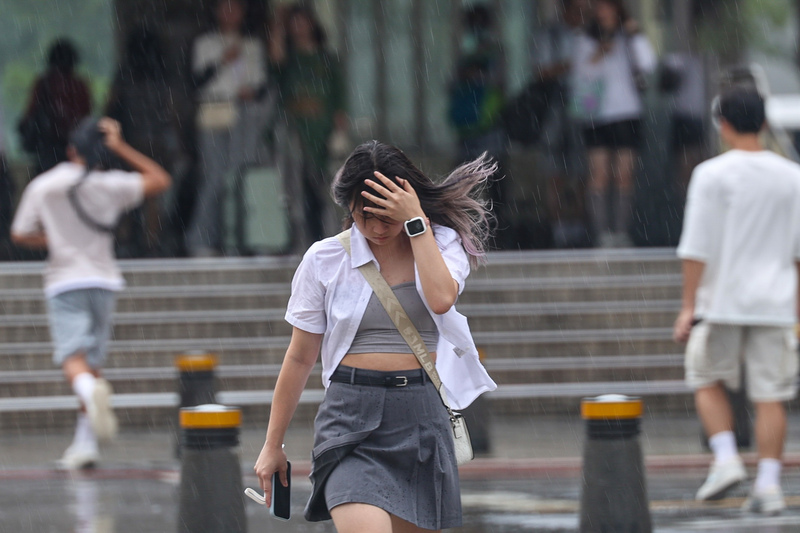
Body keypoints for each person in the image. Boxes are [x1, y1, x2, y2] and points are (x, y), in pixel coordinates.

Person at [254, 141, 497, 532]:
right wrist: (273, 444)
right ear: (348, 207)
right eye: (365, 217)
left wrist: (416, 222)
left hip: (419, 416)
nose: (377, 229)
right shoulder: (325, 259)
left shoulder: (441, 243)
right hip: (350, 417)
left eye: (388, 217)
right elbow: (300, 357)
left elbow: (440, 299)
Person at [10, 117, 171, 469]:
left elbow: (20, 232)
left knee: (72, 358)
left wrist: (52, 238)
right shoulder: (112, 185)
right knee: (91, 363)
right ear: (100, 151)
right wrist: (120, 146)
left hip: (64, 279)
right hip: (104, 280)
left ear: (70, 149)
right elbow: (160, 180)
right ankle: (85, 446)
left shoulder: (46, 185)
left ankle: (87, 395)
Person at [673, 88, 800, 514]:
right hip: (775, 302)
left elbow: (696, 248)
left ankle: (726, 457)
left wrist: (689, 305)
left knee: (704, 376)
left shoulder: (711, 174)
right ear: (764, 123)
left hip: (721, 298)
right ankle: (769, 485)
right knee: (771, 396)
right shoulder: (792, 175)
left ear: (722, 124)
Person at [570, 0, 655, 247]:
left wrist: (634, 35)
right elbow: (580, 75)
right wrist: (600, 52)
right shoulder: (585, 39)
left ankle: (620, 232)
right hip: (596, 114)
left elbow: (648, 64)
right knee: (598, 174)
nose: (604, 13)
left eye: (608, 7)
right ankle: (602, 233)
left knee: (624, 175)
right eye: (600, 8)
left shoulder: (628, 37)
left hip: (627, 112)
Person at [186, 0, 267, 257]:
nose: (230, 13)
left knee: (238, 177)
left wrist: (251, 92)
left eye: (236, 8)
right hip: (215, 112)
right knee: (214, 177)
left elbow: (261, 85)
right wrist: (222, 60)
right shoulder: (205, 43)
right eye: (225, 8)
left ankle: (238, 239)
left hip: (244, 115)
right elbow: (197, 81)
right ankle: (201, 239)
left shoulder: (252, 45)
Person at [268, 3, 348, 248]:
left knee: (322, 185)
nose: (298, 27)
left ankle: (326, 236)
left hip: (320, 130)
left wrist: (339, 128)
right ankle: (299, 239)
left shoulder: (326, 59)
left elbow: (338, 98)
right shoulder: (289, 60)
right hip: (294, 130)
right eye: (294, 22)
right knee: (294, 187)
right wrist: (279, 24)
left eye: (302, 21)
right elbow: (275, 61)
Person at [106, 26, 189, 257]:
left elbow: (111, 105)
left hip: (132, 142)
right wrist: (180, 142)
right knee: (154, 197)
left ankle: (124, 240)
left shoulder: (125, 75)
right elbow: (174, 113)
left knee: (126, 193)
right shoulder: (164, 76)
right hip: (159, 141)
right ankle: (151, 243)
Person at [448, 4, 509, 249]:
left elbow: (499, 83)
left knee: (491, 181)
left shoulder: (490, 52)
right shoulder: (468, 53)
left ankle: (492, 235)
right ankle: (472, 234)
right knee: (468, 183)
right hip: (472, 124)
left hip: (486, 122)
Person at [17, 38, 92, 174]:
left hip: (49, 147)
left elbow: (30, 113)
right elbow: (85, 116)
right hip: (73, 146)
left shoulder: (45, 83)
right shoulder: (79, 85)